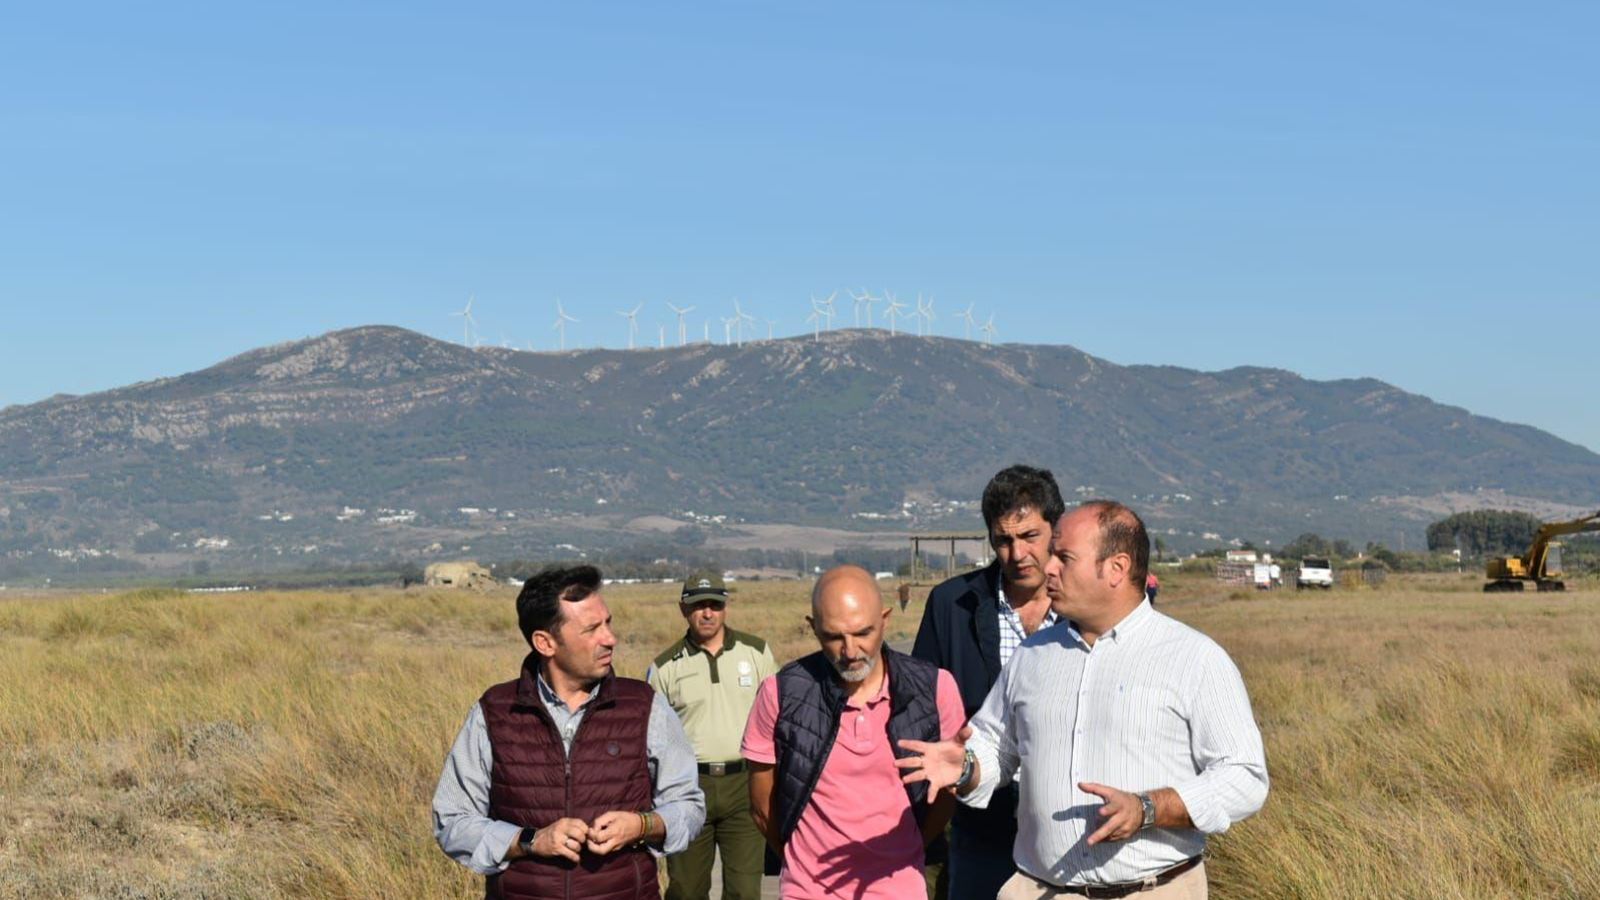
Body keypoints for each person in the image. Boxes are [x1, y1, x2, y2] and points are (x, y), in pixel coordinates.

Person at [898, 502, 1269, 899]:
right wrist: (968, 765)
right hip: (1039, 889)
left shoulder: (1194, 658)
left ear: (1117, 568)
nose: (1048, 567)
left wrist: (1151, 808)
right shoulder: (1032, 655)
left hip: (1152, 890)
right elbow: (996, 750)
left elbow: (1244, 778)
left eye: (1064, 557)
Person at [433, 565, 706, 900]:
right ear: (545, 643)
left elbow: (689, 806)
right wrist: (529, 841)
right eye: (591, 629)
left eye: (608, 622)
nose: (610, 638)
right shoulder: (495, 712)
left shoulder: (645, 706)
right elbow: (452, 821)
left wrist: (643, 826)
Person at [741, 565, 967, 899]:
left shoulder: (936, 689)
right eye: (834, 636)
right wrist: (801, 865)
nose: (850, 651)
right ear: (813, 628)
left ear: (885, 619)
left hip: (900, 888)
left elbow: (947, 795)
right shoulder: (780, 694)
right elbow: (762, 806)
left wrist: (911, 847)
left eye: (863, 633)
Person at [911, 464, 1065, 900]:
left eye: (1030, 536)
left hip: (1071, 826)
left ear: (1056, 530)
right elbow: (920, 707)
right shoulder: (951, 605)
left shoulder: (1084, 609)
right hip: (979, 824)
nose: (1017, 554)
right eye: (1004, 540)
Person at [647, 570, 778, 900]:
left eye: (715, 605)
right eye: (698, 605)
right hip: (688, 788)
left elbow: (779, 720)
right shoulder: (664, 668)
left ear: (725, 607)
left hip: (745, 784)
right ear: (683, 609)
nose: (707, 613)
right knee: (686, 889)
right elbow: (650, 741)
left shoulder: (757, 653)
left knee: (746, 891)